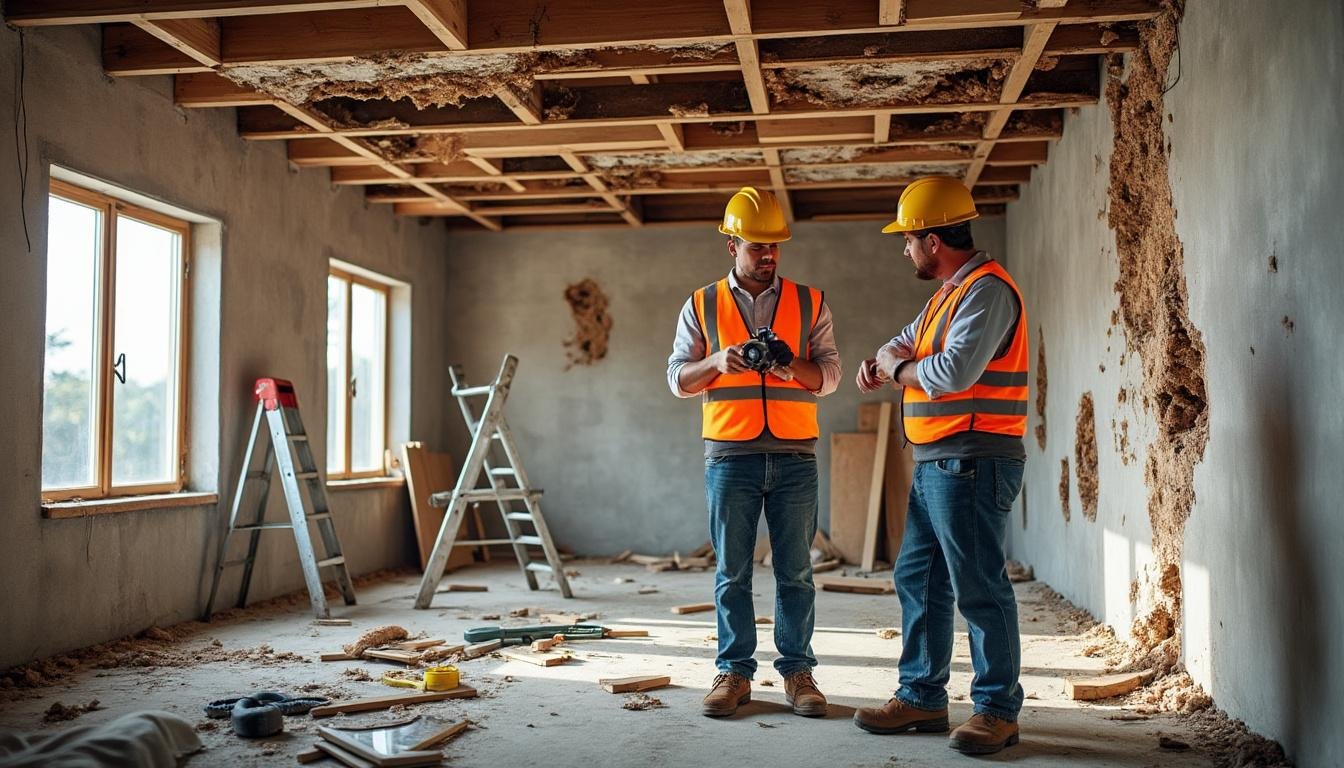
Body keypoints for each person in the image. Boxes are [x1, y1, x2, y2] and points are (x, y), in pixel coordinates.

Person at [852, 176, 1029, 755]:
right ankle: (923, 696)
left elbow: (951, 373)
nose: (904, 248)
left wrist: (897, 369)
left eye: (908, 239)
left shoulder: (986, 291)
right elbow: (903, 344)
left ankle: (998, 710)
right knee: (919, 580)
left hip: (975, 456)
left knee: (978, 585)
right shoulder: (946, 296)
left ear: (932, 240)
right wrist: (885, 364)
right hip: (938, 459)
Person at [667, 186, 842, 719]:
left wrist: (789, 366)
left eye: (775, 247)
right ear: (731, 246)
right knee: (732, 573)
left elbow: (830, 376)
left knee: (796, 573)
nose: (767, 256)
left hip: (794, 455)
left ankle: (798, 673)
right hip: (729, 455)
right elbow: (677, 378)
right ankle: (734, 673)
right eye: (756, 247)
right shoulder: (701, 304)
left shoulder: (810, 301)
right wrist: (719, 361)